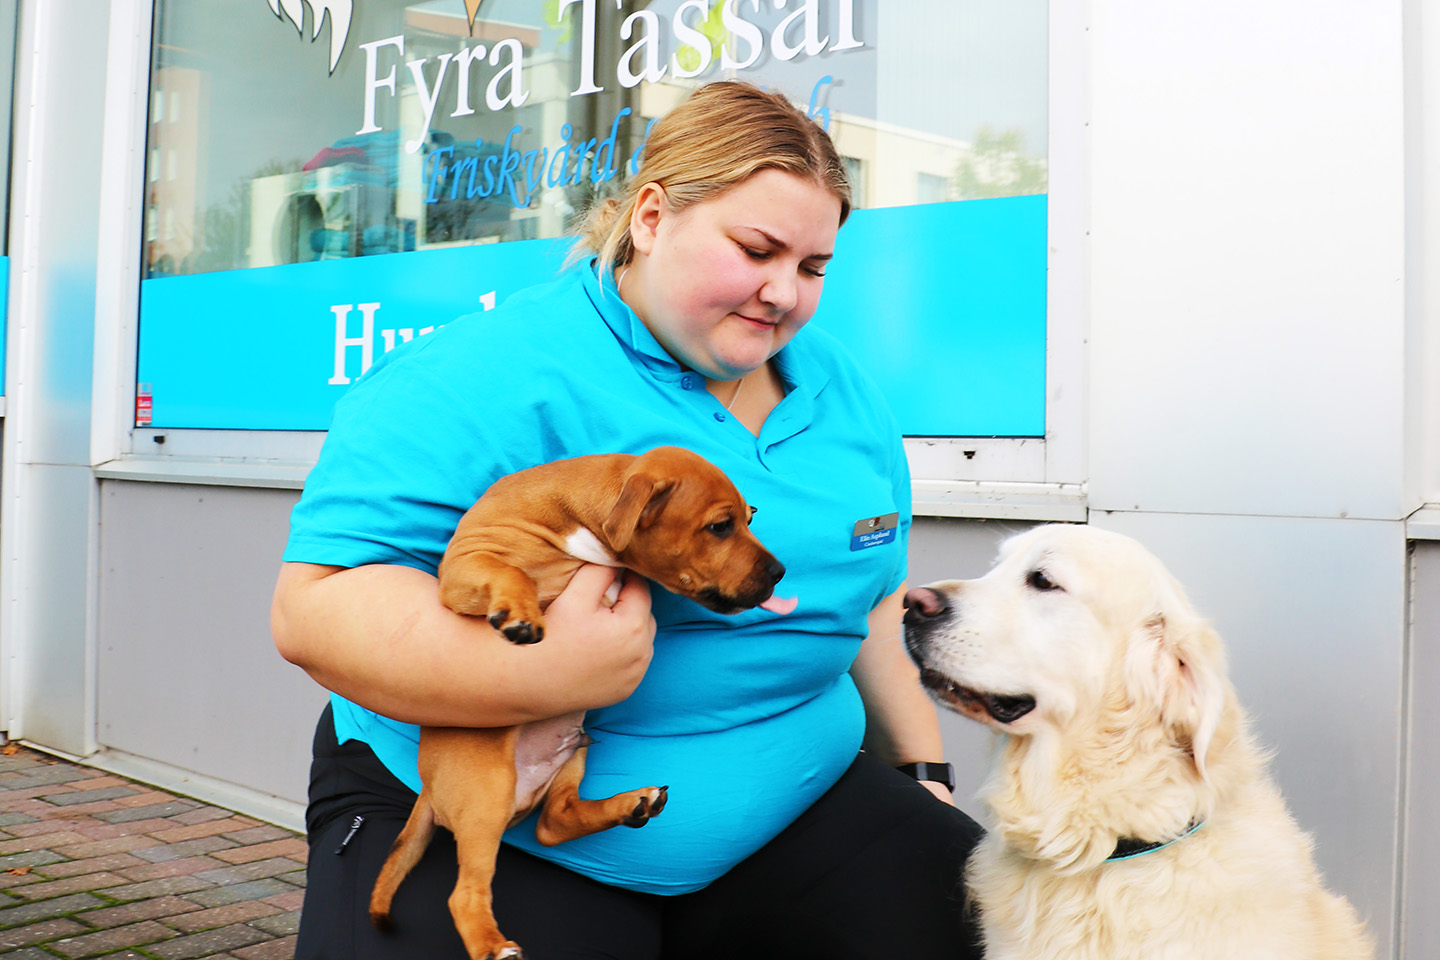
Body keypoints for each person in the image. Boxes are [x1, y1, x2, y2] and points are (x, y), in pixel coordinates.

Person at [272, 80, 985, 959]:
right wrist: (539, 673)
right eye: (756, 249)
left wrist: (925, 775)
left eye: (811, 268)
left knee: (1008, 927)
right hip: (504, 817)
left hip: (802, 803)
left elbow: (870, 599)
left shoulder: (846, 394)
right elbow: (314, 607)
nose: (783, 294)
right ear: (650, 217)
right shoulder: (481, 371)